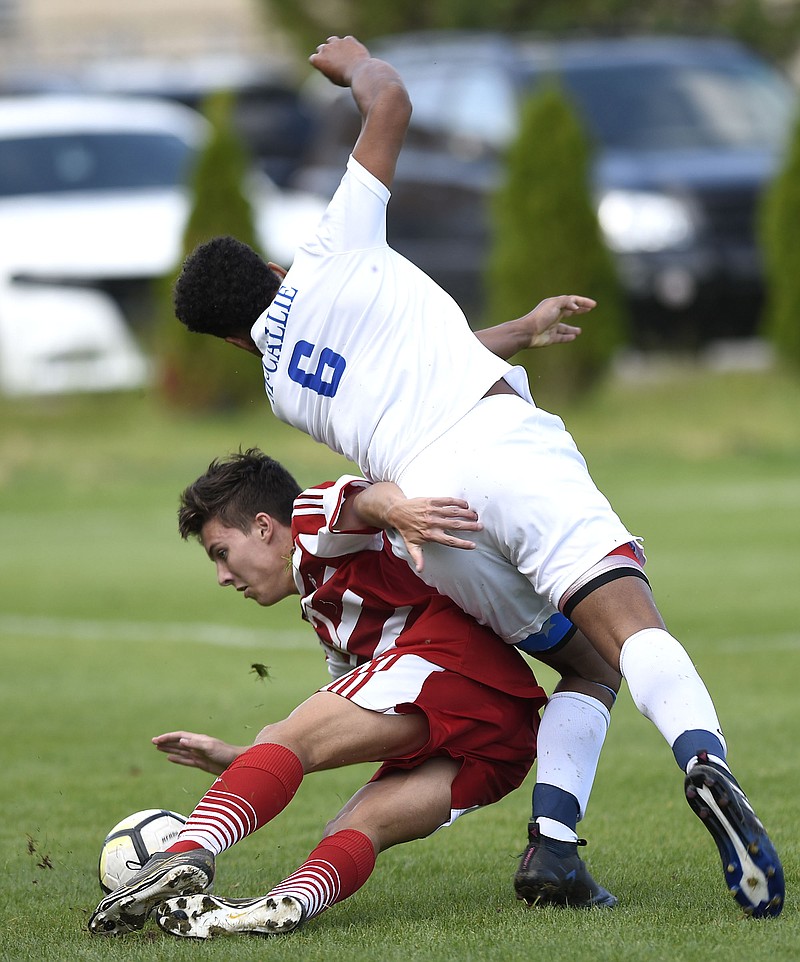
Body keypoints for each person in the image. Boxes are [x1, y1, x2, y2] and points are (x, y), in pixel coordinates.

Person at [170, 36, 784, 918]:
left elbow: (413, 365)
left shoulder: (278, 388)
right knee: (624, 619)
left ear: (232, 340)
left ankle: (555, 852)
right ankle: (703, 760)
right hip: (501, 444)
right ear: (270, 266)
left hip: (436, 521)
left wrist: (516, 330)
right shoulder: (332, 246)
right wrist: (354, 65)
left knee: (582, 664)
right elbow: (393, 105)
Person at [89, 451, 553, 938]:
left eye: (221, 552)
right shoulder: (328, 619)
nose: (222, 576)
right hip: (504, 737)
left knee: (286, 735)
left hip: (454, 667)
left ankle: (182, 854)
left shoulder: (310, 525)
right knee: (356, 825)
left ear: (265, 527)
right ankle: (285, 905)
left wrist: (398, 510)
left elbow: (367, 499)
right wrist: (243, 758)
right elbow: (339, 731)